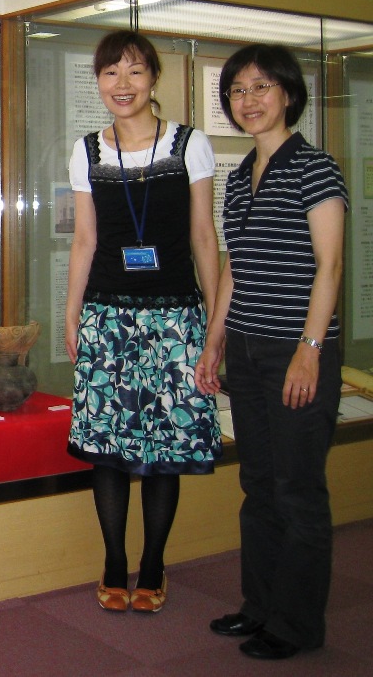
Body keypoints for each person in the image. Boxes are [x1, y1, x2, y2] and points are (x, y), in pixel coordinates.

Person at [198, 45, 347, 660]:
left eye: (261, 87)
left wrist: (310, 350)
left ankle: (297, 624)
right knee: (258, 484)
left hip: (297, 348)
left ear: (288, 93)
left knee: (297, 489)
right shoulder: (239, 177)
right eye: (237, 90)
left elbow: (329, 266)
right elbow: (235, 267)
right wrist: (215, 341)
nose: (249, 100)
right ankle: (259, 606)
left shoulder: (315, 168)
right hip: (248, 349)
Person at [65, 30, 222, 614]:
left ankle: (153, 565)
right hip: (108, 315)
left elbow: (203, 236)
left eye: (134, 71)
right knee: (107, 446)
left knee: (165, 446)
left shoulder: (189, 144)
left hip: (176, 316)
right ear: (98, 82)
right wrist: (72, 314)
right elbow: (85, 240)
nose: (122, 84)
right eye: (110, 73)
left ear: (154, 78)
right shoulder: (87, 151)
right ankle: (113, 562)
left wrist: (214, 324)